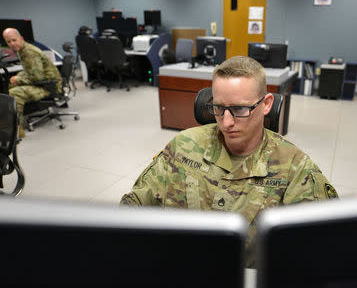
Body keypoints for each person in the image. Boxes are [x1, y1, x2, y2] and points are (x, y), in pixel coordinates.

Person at [120, 56, 338, 267]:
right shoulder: (184, 145)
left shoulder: (294, 167)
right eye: (218, 107)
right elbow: (134, 206)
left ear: (266, 104)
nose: (226, 122)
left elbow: (320, 249)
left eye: (239, 109)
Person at [2, 28, 62, 138]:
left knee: (15, 93)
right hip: (42, 83)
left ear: (21, 38)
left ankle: (16, 130)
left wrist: (19, 79)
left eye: (14, 40)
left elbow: (37, 77)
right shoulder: (22, 50)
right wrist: (19, 77)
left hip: (49, 86)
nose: (12, 44)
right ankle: (9, 122)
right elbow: (30, 71)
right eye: (8, 42)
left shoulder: (29, 52)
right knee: (10, 86)